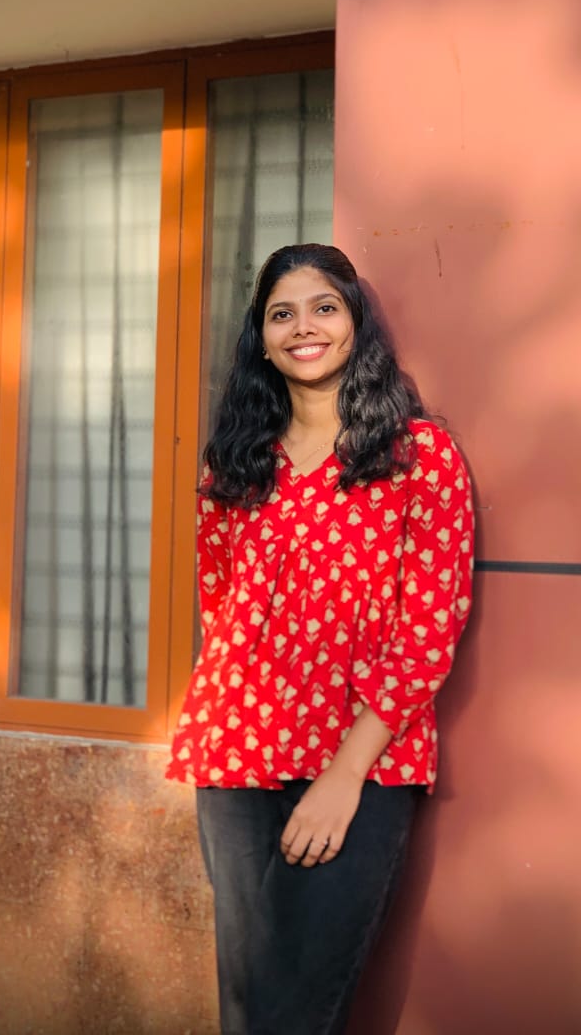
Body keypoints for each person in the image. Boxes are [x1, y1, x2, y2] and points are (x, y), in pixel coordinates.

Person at [166, 244, 474, 1035]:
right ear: (260, 338)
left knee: (289, 1011)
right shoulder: (232, 464)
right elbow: (221, 605)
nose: (303, 327)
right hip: (235, 754)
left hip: (362, 760)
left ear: (355, 323)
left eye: (323, 308)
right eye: (282, 313)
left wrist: (343, 775)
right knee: (246, 1007)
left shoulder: (417, 456)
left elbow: (430, 629)